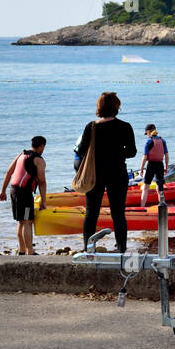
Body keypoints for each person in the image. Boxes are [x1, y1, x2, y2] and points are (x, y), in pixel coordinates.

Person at [76, 92, 137, 252]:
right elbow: (132, 152)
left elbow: (81, 150)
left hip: (95, 175)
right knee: (118, 213)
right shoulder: (125, 126)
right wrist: (117, 153)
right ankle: (121, 248)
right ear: (116, 106)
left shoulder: (92, 127)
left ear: (99, 107)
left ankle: (88, 248)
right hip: (117, 173)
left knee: (91, 213)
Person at [0, 136, 47, 255]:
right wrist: (44, 201)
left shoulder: (21, 155)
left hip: (13, 191)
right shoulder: (39, 160)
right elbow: (42, 182)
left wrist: (3, 191)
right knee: (27, 221)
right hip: (24, 194)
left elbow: (9, 172)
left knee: (21, 221)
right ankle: (29, 251)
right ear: (42, 146)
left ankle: (21, 250)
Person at [138, 124, 169, 209]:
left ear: (148, 132)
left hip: (151, 165)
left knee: (146, 188)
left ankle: (142, 207)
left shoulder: (148, 142)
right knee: (160, 188)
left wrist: (141, 170)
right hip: (160, 165)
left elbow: (144, 157)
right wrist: (166, 167)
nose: (147, 135)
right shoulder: (162, 141)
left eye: (146, 133)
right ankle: (162, 206)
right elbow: (166, 156)